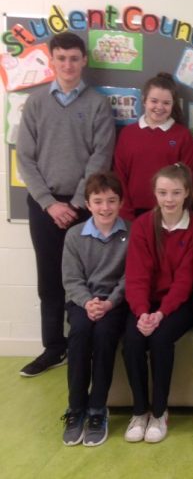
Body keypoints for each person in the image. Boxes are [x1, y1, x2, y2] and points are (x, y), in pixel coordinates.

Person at [17, 31, 116, 377]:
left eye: (74, 58)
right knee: (49, 278)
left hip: (85, 206)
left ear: (84, 60)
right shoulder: (35, 103)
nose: (68, 65)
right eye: (61, 58)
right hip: (44, 205)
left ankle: (81, 345)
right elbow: (25, 159)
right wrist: (49, 203)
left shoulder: (98, 105)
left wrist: (76, 204)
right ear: (52, 60)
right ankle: (53, 348)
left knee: (86, 277)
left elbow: (100, 157)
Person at [122, 163, 193, 443]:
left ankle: (159, 412)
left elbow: (185, 280)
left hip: (179, 303)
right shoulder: (143, 225)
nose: (169, 199)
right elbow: (137, 276)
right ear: (155, 193)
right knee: (133, 341)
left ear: (187, 193)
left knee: (159, 340)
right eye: (162, 192)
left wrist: (160, 314)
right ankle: (139, 411)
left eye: (176, 192)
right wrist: (142, 312)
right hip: (145, 303)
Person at [60, 172, 130, 447]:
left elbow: (129, 277)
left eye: (111, 201)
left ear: (121, 202)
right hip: (83, 301)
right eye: (98, 201)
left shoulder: (132, 233)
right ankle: (76, 408)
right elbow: (71, 279)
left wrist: (110, 302)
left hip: (115, 302)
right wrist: (88, 302)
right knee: (79, 333)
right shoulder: (74, 235)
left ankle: (98, 409)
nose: (105, 207)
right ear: (88, 204)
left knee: (104, 336)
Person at [113, 72, 193, 220]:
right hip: (133, 213)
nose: (159, 107)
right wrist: (125, 212)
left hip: (170, 213)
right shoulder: (127, 134)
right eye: (154, 101)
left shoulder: (183, 136)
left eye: (166, 103)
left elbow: (188, 179)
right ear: (144, 101)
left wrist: (175, 212)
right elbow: (119, 175)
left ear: (173, 104)